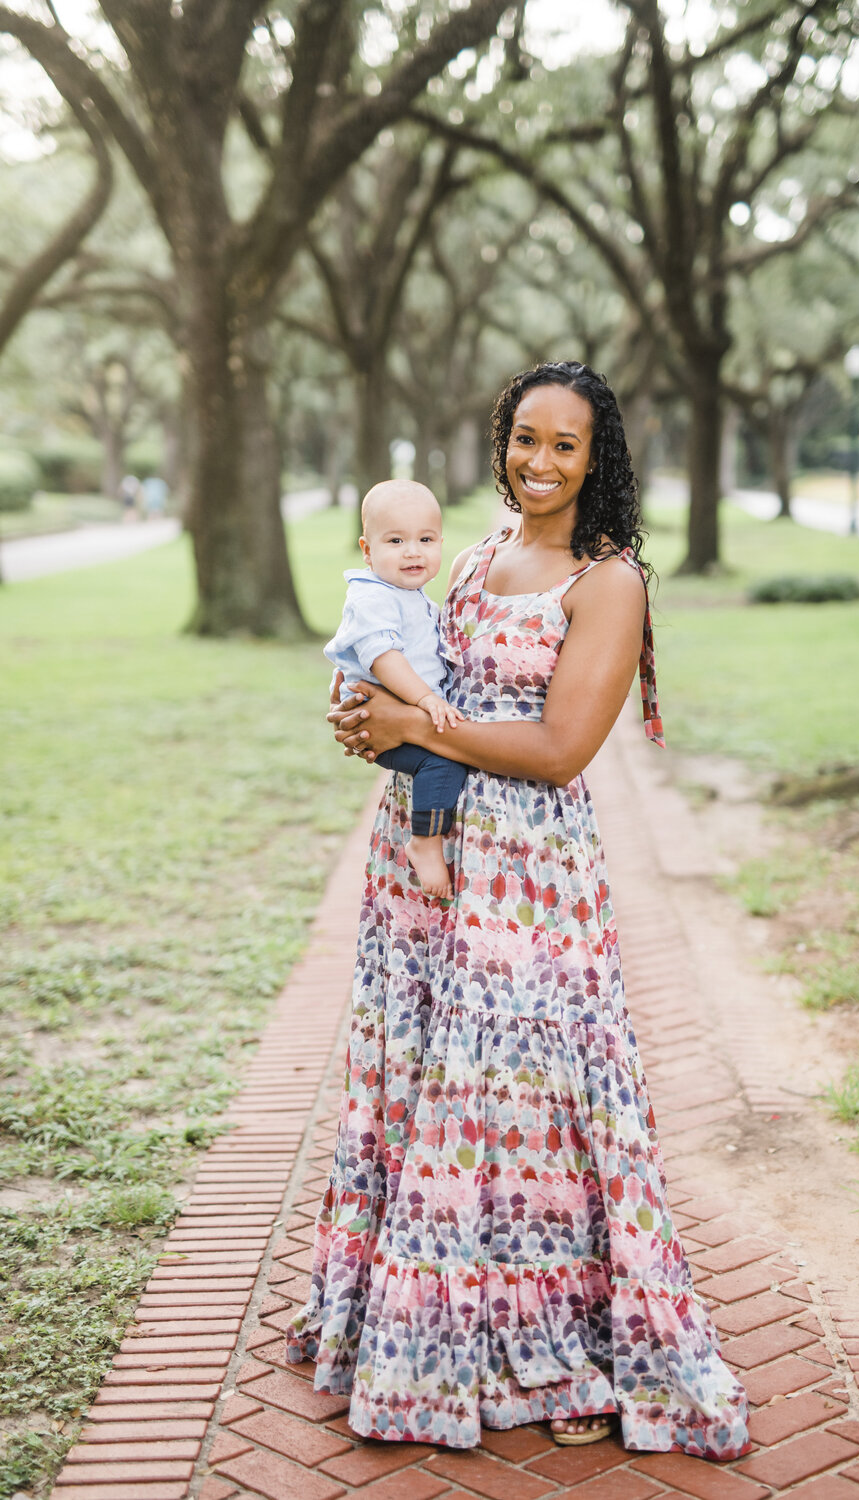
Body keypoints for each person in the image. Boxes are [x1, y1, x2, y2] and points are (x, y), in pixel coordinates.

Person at [287, 361, 750, 1460]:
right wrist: (363, 717)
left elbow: (557, 748)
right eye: (523, 438)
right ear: (502, 441)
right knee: (426, 1073)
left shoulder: (609, 580)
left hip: (530, 875)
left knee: (524, 1090)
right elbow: (410, 673)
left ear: (599, 460)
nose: (538, 462)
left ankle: (544, 1332)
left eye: (564, 445)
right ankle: (416, 1319)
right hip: (423, 860)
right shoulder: (473, 552)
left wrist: (424, 729)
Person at [324, 479, 466, 899]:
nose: (412, 551)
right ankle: (425, 841)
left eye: (425, 539)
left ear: (441, 541)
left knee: (447, 755)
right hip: (380, 718)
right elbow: (383, 657)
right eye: (396, 540)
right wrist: (425, 698)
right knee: (444, 761)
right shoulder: (371, 597)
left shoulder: (412, 596)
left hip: (404, 712)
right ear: (367, 550)